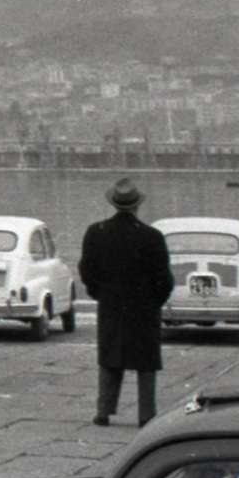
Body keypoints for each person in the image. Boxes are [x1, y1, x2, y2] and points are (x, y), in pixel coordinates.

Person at [79, 177, 175, 427]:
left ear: (114, 203)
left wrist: (99, 294)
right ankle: (146, 414)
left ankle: (103, 411)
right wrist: (155, 301)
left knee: (110, 355)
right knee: (146, 361)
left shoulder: (96, 232)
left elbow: (86, 271)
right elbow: (164, 278)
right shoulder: (152, 236)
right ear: (137, 205)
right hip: (144, 307)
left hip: (111, 304)